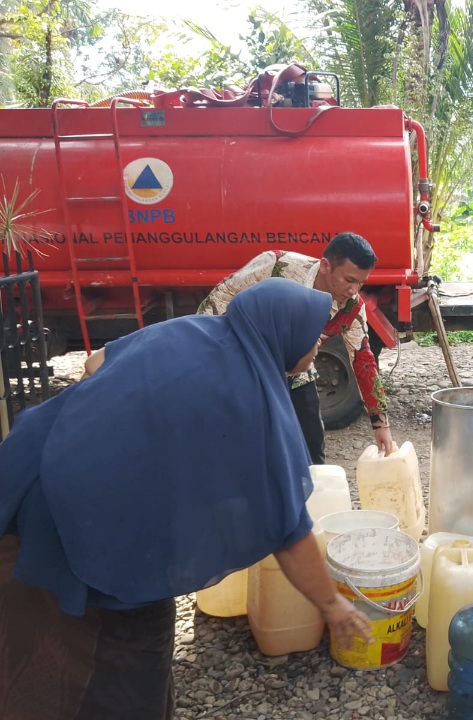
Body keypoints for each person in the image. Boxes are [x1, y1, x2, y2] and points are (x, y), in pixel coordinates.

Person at [0, 278, 373, 719]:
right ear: (283, 335)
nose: (317, 346)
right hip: (82, 521)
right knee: (122, 652)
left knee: (29, 616)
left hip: (27, 467)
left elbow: (95, 364)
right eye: (312, 338)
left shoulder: (189, 329)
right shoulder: (260, 408)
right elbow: (289, 531)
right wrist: (332, 605)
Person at [198, 232, 392, 463]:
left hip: (298, 371)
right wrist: (212, 358)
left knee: (312, 446)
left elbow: (363, 359)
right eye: (349, 280)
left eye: (361, 283)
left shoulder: (352, 306)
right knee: (248, 444)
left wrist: (380, 424)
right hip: (251, 367)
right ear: (325, 266)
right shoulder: (277, 265)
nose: (354, 290)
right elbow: (222, 295)